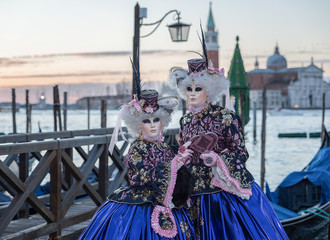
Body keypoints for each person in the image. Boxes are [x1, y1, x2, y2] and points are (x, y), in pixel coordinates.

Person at [168, 40, 289, 239]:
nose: (192, 94)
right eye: (188, 89)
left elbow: (241, 153)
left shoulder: (226, 117)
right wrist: (182, 155)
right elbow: (182, 149)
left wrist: (217, 160)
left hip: (221, 194)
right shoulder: (185, 120)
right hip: (191, 195)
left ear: (209, 90)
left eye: (198, 89)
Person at [79, 88, 196, 240]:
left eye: (156, 120)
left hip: (166, 201)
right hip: (141, 205)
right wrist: (175, 164)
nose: (153, 125)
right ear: (138, 124)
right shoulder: (136, 149)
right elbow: (145, 177)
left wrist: (180, 157)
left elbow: (173, 169)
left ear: (163, 121)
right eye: (147, 121)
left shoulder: (164, 146)